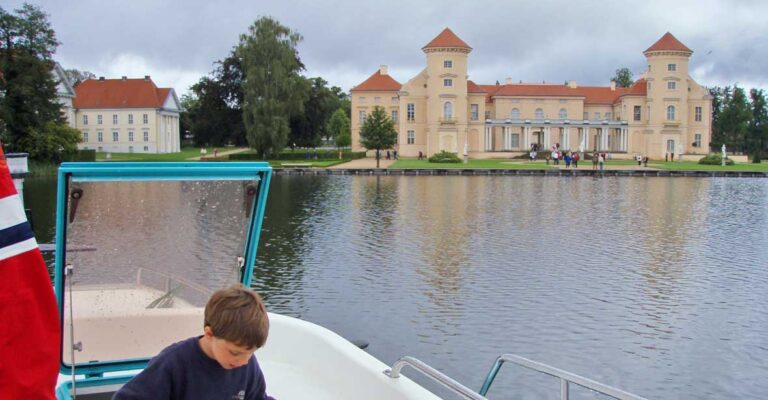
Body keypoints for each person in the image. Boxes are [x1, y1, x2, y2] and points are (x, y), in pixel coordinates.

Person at [113, 285, 274, 400]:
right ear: (209, 333)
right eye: (235, 352)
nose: (243, 361)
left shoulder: (247, 366)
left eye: (251, 352)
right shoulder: (174, 363)